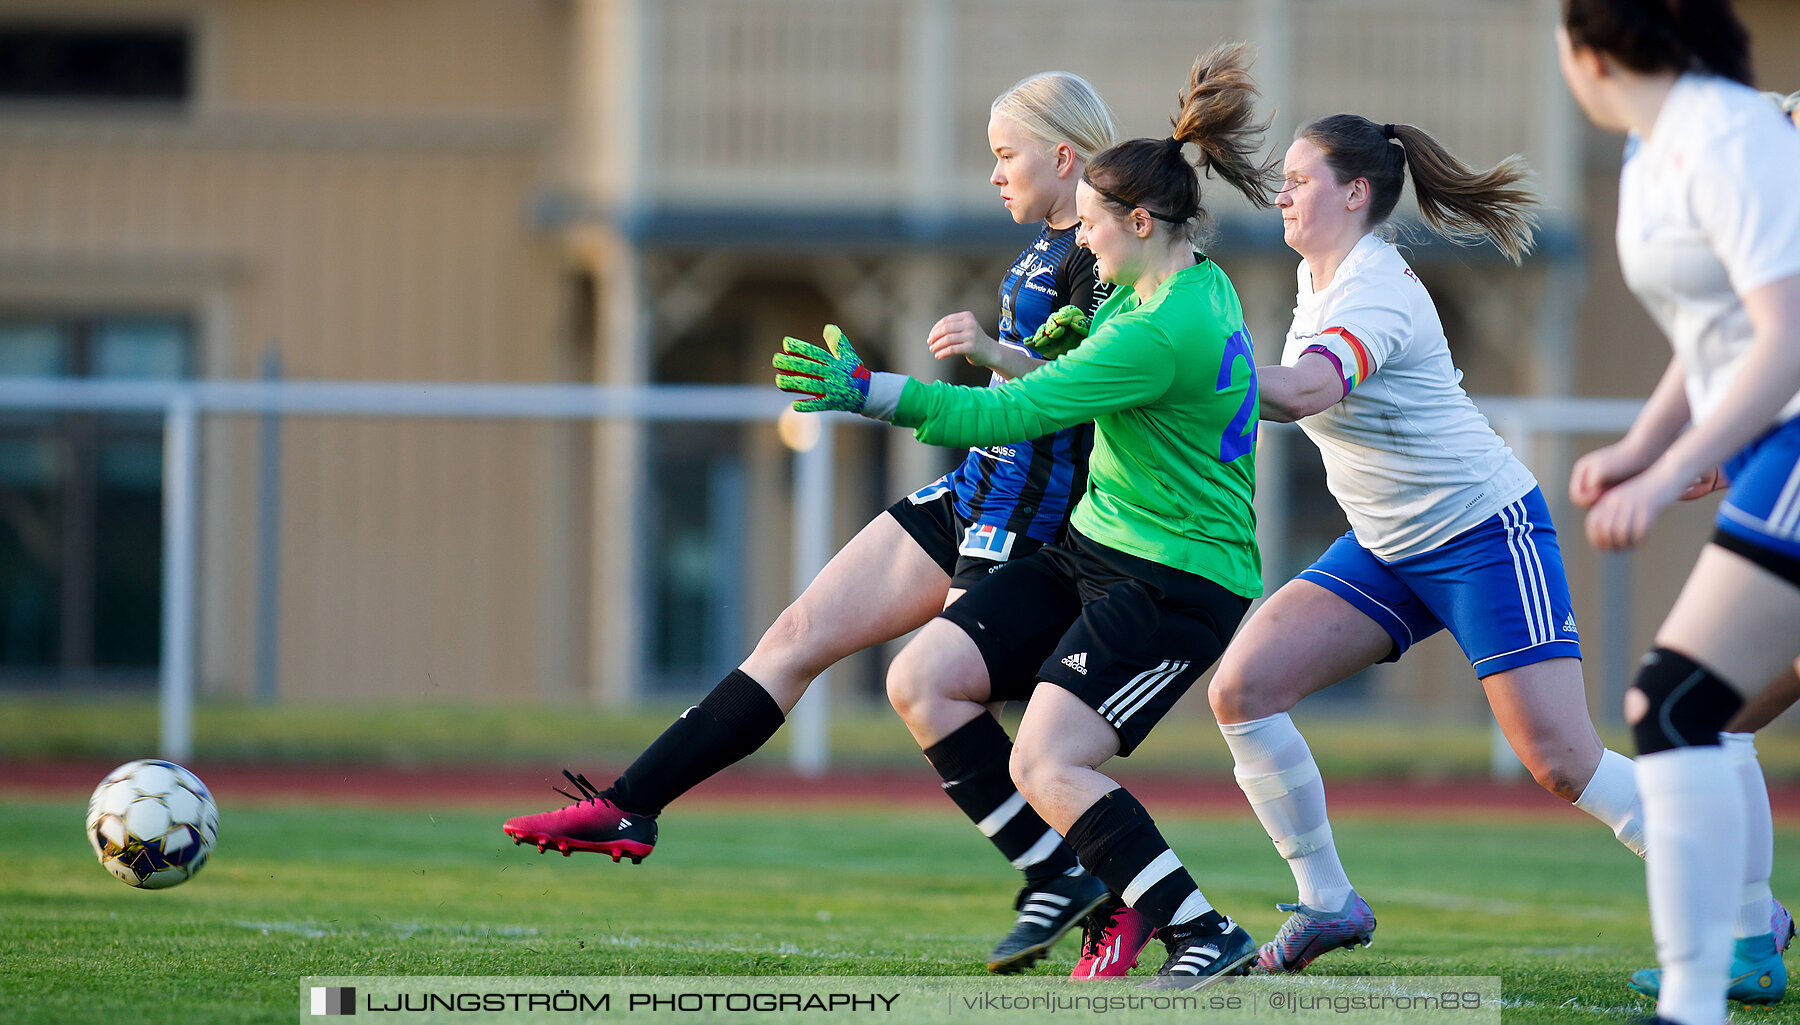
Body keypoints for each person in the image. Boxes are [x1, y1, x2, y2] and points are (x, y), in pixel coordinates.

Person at [501, 70, 1116, 902]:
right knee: (795, 635)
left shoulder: (1106, 251)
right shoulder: (1044, 242)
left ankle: (1097, 889)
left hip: (1035, 518)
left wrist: (995, 354)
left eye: (1006, 155)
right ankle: (630, 804)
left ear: (1064, 155)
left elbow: (1086, 385)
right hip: (975, 489)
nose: (995, 173)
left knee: (966, 711)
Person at [776, 42, 1276, 988]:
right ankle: (1074, 883)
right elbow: (1085, 347)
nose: (1079, 244)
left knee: (1046, 761)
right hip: (1098, 546)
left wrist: (872, 390)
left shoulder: (1157, 330)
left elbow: (1014, 413)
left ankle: (1203, 932)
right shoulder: (1181, 278)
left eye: (1091, 225)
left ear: (1138, 219)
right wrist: (1047, 338)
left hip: (1177, 580)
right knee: (924, 675)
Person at [1185, 112, 1659, 979]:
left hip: (1482, 531)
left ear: (1356, 193)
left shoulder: (1375, 288)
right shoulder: (1314, 275)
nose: (1282, 191)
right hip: (1387, 546)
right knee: (1243, 688)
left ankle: (1741, 910)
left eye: (1300, 177)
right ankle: (1328, 904)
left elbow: (1304, 389)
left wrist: (1190, 370)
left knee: (1560, 759)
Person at [1555, 2, 1800, 1023]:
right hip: (1769, 445)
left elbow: (1785, 339)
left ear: (1589, 50)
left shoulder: (1732, 133)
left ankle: (1702, 993)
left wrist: (1668, 474)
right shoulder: (1658, 150)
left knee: (1677, 701)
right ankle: (1722, 970)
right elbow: (1715, 334)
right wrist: (1645, 448)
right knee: (1698, 707)